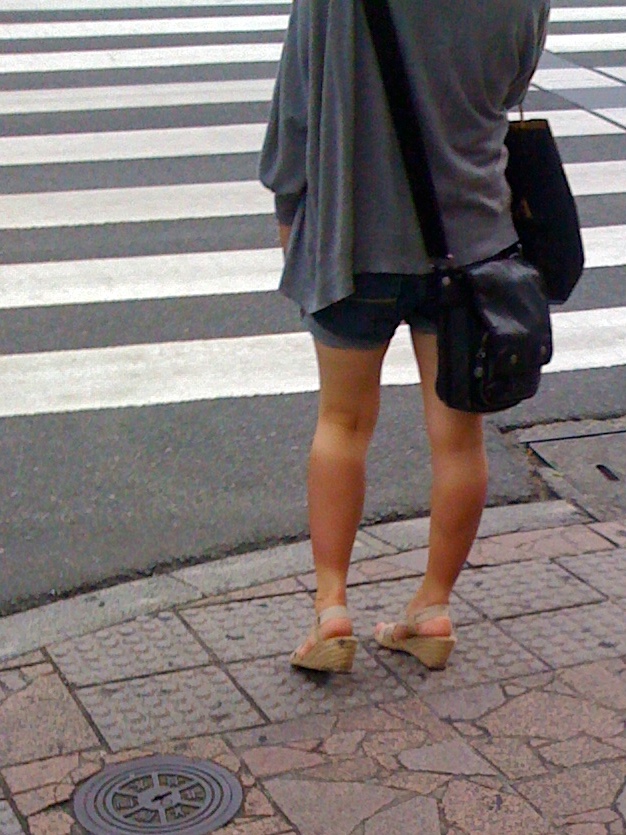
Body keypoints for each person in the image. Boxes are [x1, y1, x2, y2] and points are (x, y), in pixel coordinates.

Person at [259, 0, 550, 673]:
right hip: (473, 246)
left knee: (342, 421)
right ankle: (433, 607)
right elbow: (511, 89)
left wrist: (289, 216)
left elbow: (295, 111)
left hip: (351, 239)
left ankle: (332, 609)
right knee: (458, 437)